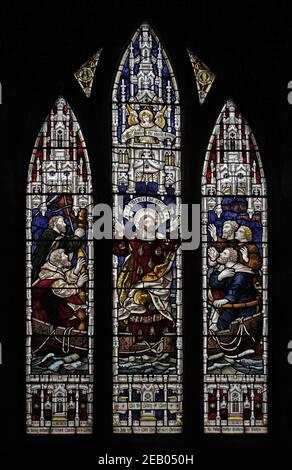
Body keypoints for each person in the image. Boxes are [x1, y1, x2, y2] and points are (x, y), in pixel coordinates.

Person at [32, 248, 88, 328]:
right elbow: (63, 290)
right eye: (64, 255)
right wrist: (78, 285)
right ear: (59, 262)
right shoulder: (52, 275)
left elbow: (65, 280)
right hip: (48, 310)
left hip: (52, 306)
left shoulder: (55, 271)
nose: (67, 256)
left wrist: (76, 271)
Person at [209, 247, 258, 331]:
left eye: (224, 253)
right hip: (233, 306)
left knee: (238, 329)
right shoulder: (227, 270)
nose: (220, 254)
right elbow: (213, 284)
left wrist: (226, 300)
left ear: (230, 259)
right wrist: (220, 277)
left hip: (245, 308)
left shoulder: (242, 272)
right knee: (221, 324)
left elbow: (237, 286)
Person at [31, 215, 84, 283]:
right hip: (43, 272)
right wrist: (77, 236)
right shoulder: (49, 234)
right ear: (55, 224)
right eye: (62, 222)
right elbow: (68, 245)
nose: (65, 224)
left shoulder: (52, 235)